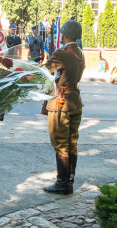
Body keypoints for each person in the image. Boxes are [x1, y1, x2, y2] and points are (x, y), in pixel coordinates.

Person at [42, 20, 85, 195]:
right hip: (74, 101)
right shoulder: (80, 53)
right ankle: (69, 180)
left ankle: (62, 183)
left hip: (61, 103)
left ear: (65, 35)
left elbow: (43, 70)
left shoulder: (62, 53)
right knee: (71, 143)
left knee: (60, 144)